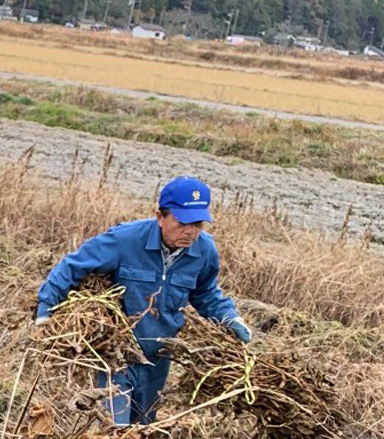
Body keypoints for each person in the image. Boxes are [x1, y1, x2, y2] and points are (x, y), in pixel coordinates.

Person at [35, 176, 253, 426]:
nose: (191, 231)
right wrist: (46, 311)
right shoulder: (125, 240)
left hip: (158, 359)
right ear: (160, 216)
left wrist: (230, 318)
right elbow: (72, 266)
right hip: (117, 354)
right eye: (183, 222)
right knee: (113, 430)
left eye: (197, 224)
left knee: (143, 430)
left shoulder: (204, 251)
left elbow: (206, 294)